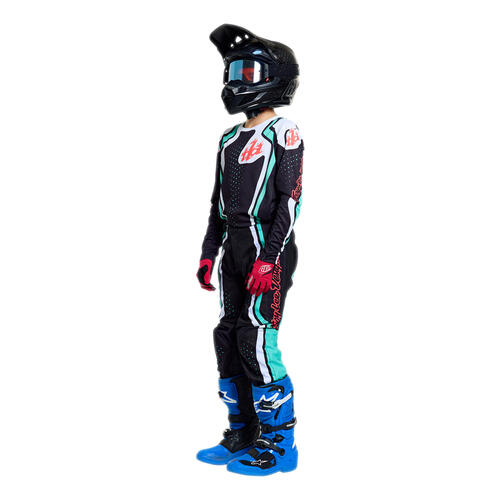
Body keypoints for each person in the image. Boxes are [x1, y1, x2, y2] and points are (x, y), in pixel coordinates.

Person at [195, 24, 304, 476]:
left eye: (247, 71)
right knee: (227, 337)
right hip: (233, 252)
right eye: (233, 70)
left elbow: (290, 200)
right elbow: (217, 204)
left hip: (267, 251)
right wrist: (209, 251)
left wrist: (269, 258)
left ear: (275, 76)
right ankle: (244, 432)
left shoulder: (284, 132)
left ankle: (280, 445)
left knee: (256, 340)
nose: (235, 79)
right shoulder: (228, 138)